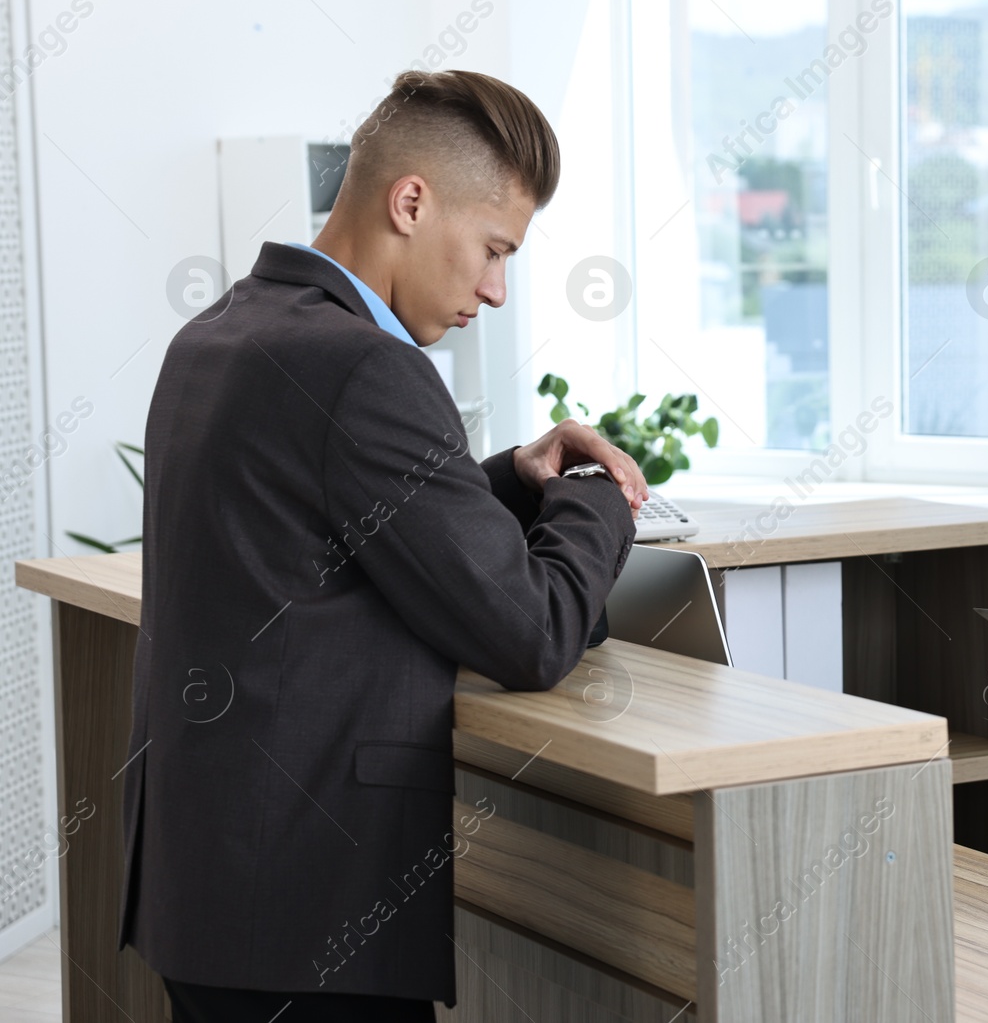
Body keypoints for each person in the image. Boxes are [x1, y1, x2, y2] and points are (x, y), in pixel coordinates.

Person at [118, 69, 650, 1021]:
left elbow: (310, 529)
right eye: (494, 248)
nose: (493, 289)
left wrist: (503, 479)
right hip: (305, 909)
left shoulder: (221, 330)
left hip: (208, 884)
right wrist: (591, 494)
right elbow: (530, 633)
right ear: (412, 201)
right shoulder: (367, 366)